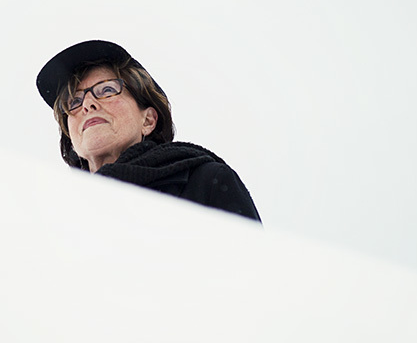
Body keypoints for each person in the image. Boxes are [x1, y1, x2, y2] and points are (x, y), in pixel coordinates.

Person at [36, 39, 260, 222]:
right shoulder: (55, 216)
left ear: (149, 120)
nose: (87, 104)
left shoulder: (205, 182)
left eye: (107, 90)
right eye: (74, 102)